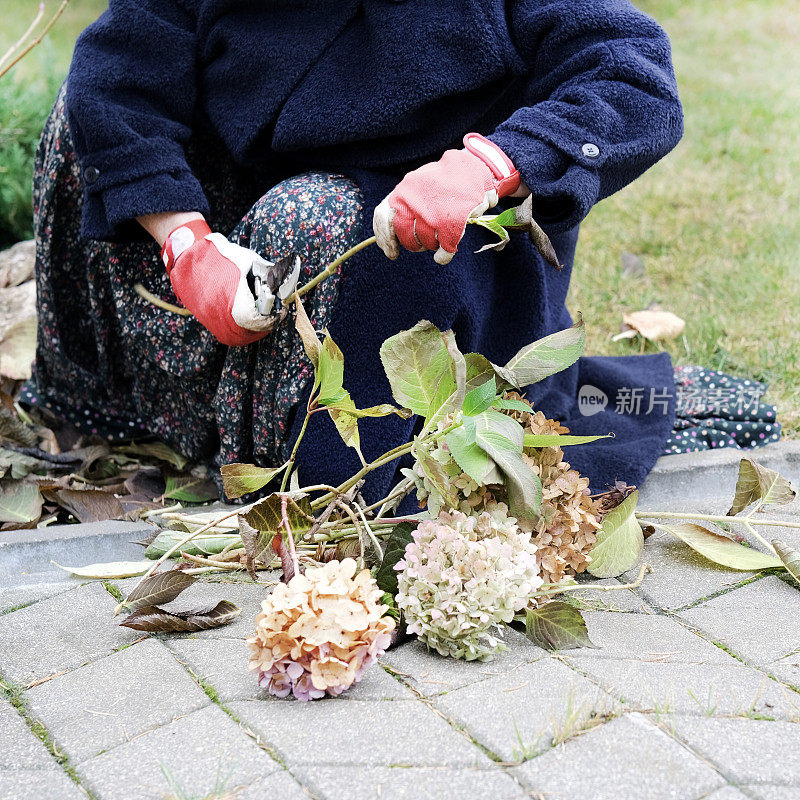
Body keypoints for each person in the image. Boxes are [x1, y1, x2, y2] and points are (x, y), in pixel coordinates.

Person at [29, 0, 687, 502]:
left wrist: (492, 165)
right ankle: (133, 415)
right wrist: (186, 243)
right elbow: (120, 76)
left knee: (308, 217)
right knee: (78, 124)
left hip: (427, 246)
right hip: (249, 217)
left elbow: (634, 78)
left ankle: (268, 459)